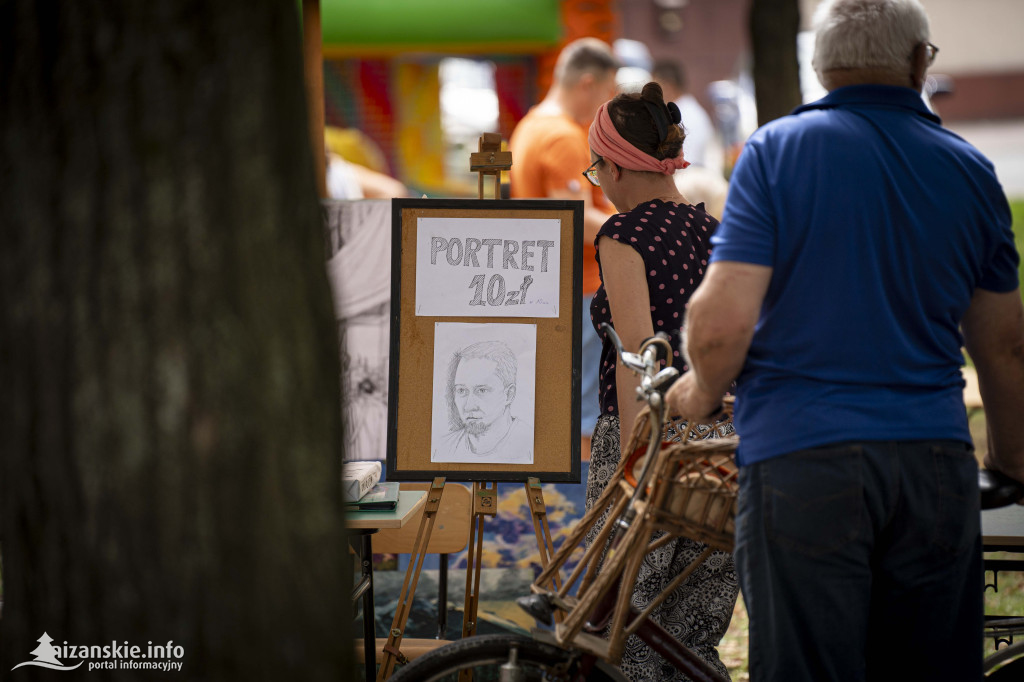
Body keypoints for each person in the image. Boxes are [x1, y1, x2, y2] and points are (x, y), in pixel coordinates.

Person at [665, 1, 1024, 680]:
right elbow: (1005, 345)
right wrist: (1011, 460)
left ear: (821, 67)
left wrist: (698, 391)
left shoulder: (776, 153)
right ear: (921, 63)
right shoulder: (970, 170)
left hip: (803, 463)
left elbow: (721, 326)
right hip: (933, 466)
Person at [583, 81, 739, 681]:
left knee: (622, 623)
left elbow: (639, 363)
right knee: (692, 636)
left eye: (598, 171)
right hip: (720, 449)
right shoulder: (715, 231)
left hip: (652, 446)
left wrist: (631, 470)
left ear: (617, 167)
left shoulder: (625, 237)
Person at [509, 38, 619, 450]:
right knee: (586, 416)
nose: (607, 106)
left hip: (553, 286)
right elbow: (575, 219)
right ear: (587, 83)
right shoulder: (562, 136)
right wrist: (638, 226)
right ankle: (583, 506)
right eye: (608, 93)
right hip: (581, 286)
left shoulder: (530, 125)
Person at [433, 341, 532, 464]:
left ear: (509, 395)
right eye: (462, 390)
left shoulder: (530, 447)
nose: (469, 406)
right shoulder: (442, 449)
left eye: (482, 390)